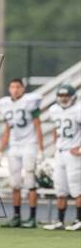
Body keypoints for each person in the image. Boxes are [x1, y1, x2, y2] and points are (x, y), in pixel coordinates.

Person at [0, 78, 44, 228]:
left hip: (29, 144)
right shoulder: (5, 104)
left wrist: (41, 148)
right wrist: (0, 149)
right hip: (14, 146)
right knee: (15, 183)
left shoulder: (30, 101)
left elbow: (38, 126)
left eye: (18, 87)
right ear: (9, 89)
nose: (15, 89)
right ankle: (16, 217)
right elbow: (7, 128)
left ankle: (32, 217)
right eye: (12, 86)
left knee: (30, 181)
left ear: (23, 89)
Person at [43, 84, 81, 231]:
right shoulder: (54, 110)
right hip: (60, 152)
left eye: (67, 96)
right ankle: (60, 221)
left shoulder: (78, 109)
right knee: (60, 188)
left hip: (73, 153)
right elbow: (55, 129)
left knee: (77, 187)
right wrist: (55, 146)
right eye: (62, 96)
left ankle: (79, 219)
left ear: (72, 97)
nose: (64, 99)